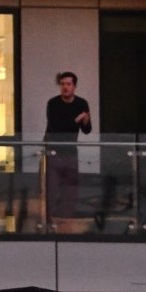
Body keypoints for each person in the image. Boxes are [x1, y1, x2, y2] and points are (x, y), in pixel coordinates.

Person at [44, 71, 92, 224]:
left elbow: (87, 130)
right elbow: (56, 127)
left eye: (68, 84)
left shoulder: (81, 103)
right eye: (63, 84)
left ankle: (66, 219)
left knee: (70, 188)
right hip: (54, 151)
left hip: (71, 151)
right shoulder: (53, 103)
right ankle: (50, 220)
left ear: (74, 86)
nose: (65, 87)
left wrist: (84, 121)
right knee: (52, 188)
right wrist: (76, 120)